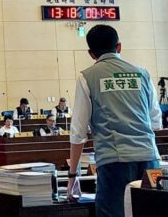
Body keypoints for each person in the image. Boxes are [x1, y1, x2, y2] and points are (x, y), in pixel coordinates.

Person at [67, 25, 161, 217]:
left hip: (114, 162)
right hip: (150, 159)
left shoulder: (87, 77)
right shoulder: (143, 74)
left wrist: (72, 176)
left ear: (91, 54)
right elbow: (155, 122)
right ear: (119, 47)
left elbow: (78, 132)